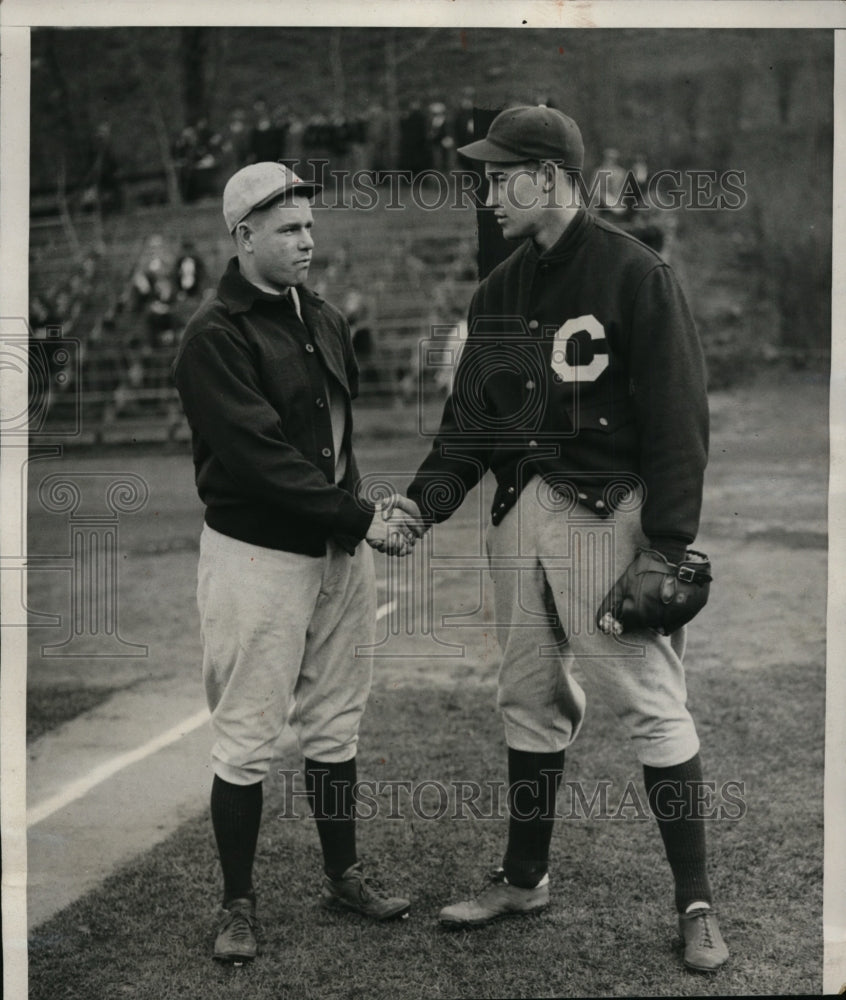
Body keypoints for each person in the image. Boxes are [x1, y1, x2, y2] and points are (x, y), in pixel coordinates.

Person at [392, 105, 729, 973]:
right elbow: (467, 429)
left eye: (503, 178)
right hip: (519, 519)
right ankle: (524, 878)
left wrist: (667, 543)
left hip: (607, 519)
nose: (490, 194)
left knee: (650, 703)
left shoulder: (635, 271)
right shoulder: (498, 291)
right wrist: (420, 507)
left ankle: (695, 904)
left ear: (549, 178)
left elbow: (679, 419)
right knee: (529, 696)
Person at [173, 161, 414, 965]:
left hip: (337, 553)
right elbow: (261, 462)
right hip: (257, 557)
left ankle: (343, 874)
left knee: (336, 723)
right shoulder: (213, 335)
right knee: (247, 734)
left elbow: (335, 443)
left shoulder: (325, 317)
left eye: (310, 226)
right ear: (244, 237)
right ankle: (237, 904)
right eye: (288, 229)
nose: (307, 241)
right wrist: (362, 519)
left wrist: (360, 517)